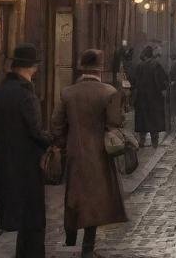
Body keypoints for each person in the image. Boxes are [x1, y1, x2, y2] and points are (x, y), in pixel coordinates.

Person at [51, 49, 129, 255]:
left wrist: (64, 143)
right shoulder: (108, 92)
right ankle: (87, 247)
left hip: (76, 154)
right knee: (95, 200)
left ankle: (71, 237)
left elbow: (56, 124)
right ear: (100, 69)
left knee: (76, 197)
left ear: (81, 68)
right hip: (100, 155)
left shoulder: (68, 93)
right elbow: (114, 122)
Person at [0, 44, 51, 258]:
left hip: (6, 162)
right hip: (27, 165)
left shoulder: (0, 91)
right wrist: (51, 143)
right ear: (31, 68)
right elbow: (35, 130)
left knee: (19, 217)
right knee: (33, 220)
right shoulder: (25, 94)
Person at [130, 45, 168, 146]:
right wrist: (163, 91)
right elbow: (161, 80)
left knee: (143, 119)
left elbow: (133, 81)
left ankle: (142, 140)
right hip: (154, 98)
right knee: (154, 119)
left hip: (141, 97)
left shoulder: (139, 66)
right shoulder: (156, 65)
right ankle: (154, 141)